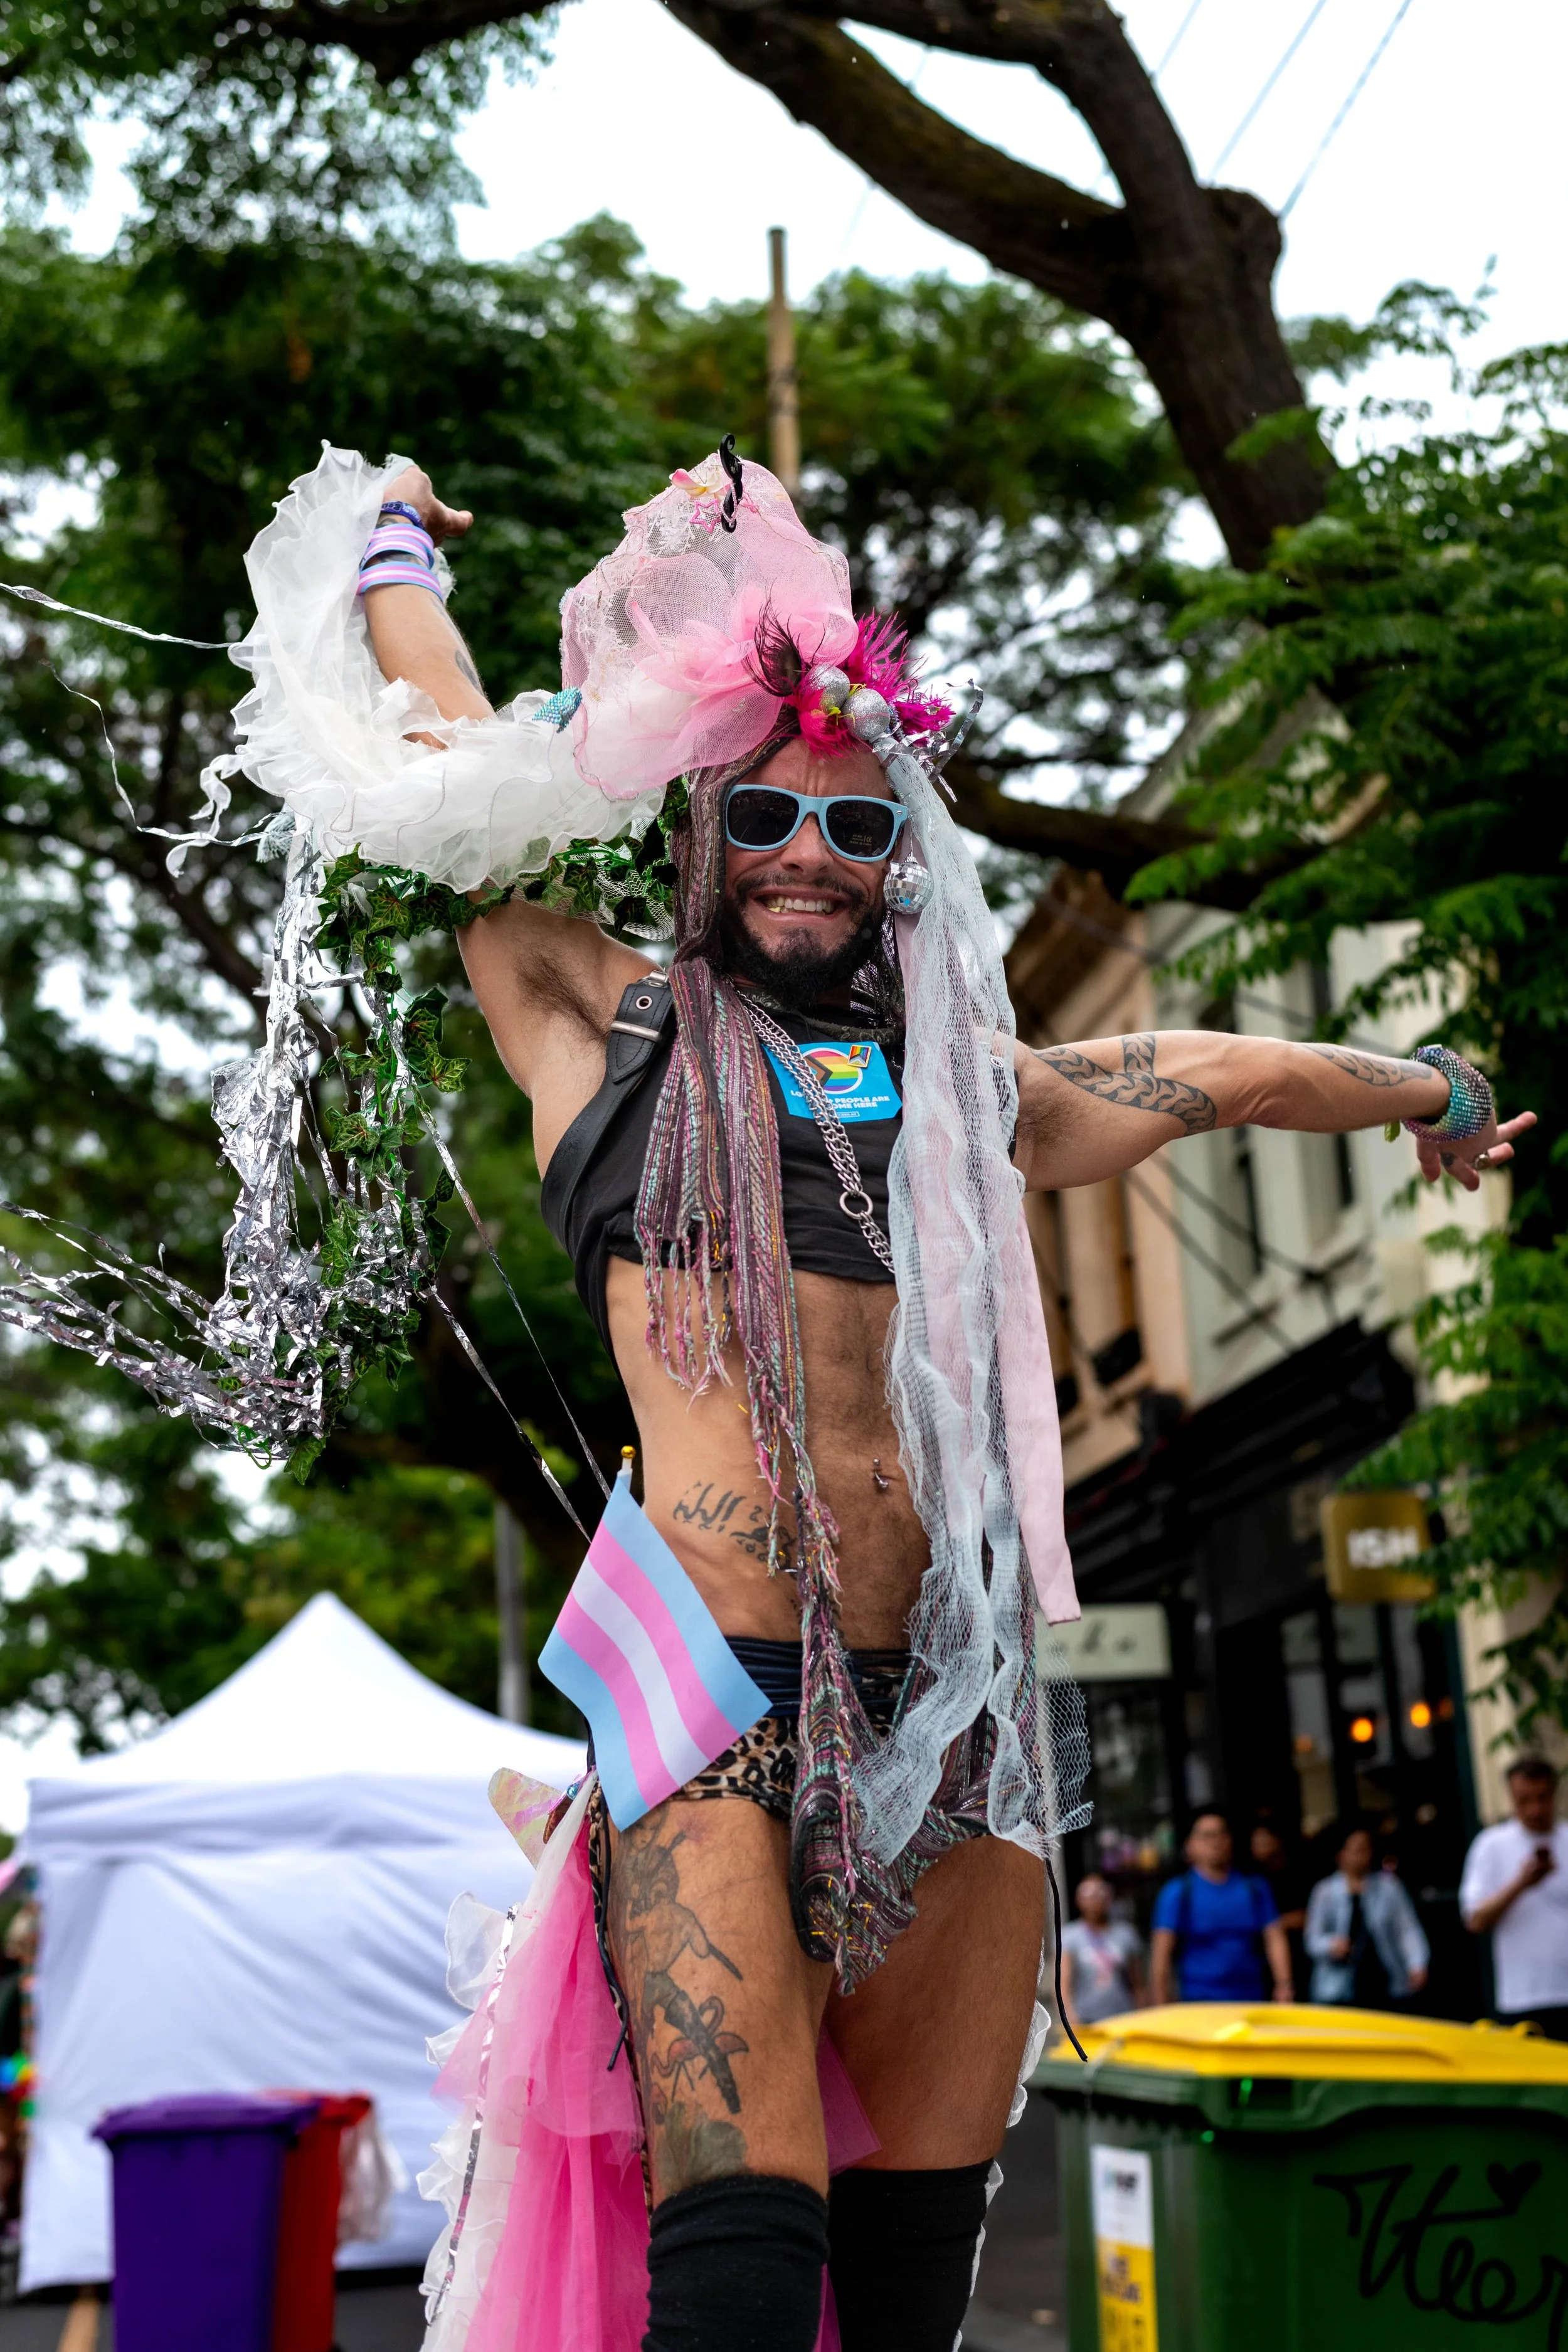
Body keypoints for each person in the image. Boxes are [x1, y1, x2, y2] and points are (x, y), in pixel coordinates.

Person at [231, 444, 1527, 2352]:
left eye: (855, 828)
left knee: (906, 2292)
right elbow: (453, 781)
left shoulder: (967, 1092)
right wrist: (392, 545)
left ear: (902, 856)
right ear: (693, 818)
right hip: (711, 1705)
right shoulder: (595, 1016)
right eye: (760, 809)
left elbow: (1218, 1071)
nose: (805, 855)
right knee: (743, 2279)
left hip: (953, 1720)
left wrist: (1426, 1084)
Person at [1460, 1754, 1568, 2039]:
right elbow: (1476, 1919)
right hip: (1523, 1996)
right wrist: (1521, 1884)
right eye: (1524, 1801)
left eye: (1542, 1798)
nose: (1535, 1809)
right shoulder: (1491, 1846)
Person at [1150, 1813, 1294, 2005]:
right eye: (1207, 1836)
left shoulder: (1254, 1888)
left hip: (1252, 1999)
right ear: (1190, 1845)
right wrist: (1162, 2003)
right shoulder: (1178, 1892)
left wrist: (1284, 1984)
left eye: (1222, 1834)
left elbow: (1274, 1937)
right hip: (1200, 2003)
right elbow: (1162, 1952)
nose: (1216, 1842)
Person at [1303, 1821, 1429, 2008]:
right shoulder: (1325, 1892)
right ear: (1341, 1855)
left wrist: (1417, 1963)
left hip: (1383, 1982)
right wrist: (1332, 1946)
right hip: (1339, 1989)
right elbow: (1312, 1940)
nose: (1365, 1855)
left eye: (1367, 1848)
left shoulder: (1389, 1887)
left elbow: (1407, 1929)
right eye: (1358, 1849)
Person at [1060, 1875, 1147, 2029]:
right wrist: (1070, 2017)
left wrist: (1144, 2014)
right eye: (1089, 1895)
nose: (1095, 1900)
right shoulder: (1069, 1936)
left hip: (1124, 2017)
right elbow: (1063, 1983)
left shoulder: (1126, 1934)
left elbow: (1138, 1983)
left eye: (1100, 1894)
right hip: (1085, 2019)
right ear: (1079, 1900)